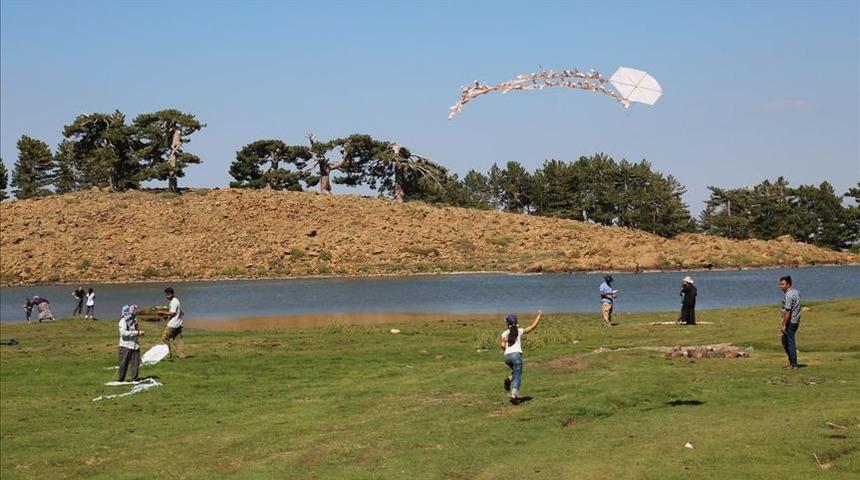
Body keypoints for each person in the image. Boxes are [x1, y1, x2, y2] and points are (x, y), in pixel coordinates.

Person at [500, 310, 542, 405]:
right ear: (516, 323)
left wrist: (506, 342)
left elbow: (502, 346)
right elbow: (532, 327)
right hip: (516, 356)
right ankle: (513, 395)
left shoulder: (504, 333)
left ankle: (509, 379)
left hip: (507, 357)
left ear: (507, 324)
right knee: (518, 376)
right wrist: (539, 316)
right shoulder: (519, 331)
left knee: (515, 372)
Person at [779, 275, 801, 369]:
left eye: (783, 284)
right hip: (796, 320)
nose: (781, 286)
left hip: (791, 321)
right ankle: (791, 361)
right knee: (785, 340)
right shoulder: (796, 292)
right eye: (780, 284)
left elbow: (788, 311)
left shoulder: (788, 295)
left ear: (788, 284)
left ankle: (793, 364)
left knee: (789, 341)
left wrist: (784, 325)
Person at [117, 305, 144, 382]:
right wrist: (137, 333)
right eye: (132, 311)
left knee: (136, 363)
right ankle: (121, 380)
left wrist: (138, 331)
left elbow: (136, 330)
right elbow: (123, 333)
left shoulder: (134, 321)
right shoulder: (122, 321)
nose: (133, 312)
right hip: (125, 346)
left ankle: (134, 378)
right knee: (123, 365)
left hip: (135, 346)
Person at [158, 287, 186, 359]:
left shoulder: (174, 302)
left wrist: (162, 312)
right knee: (178, 340)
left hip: (173, 324)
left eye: (167, 295)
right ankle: (182, 356)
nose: (166, 296)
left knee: (164, 338)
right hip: (178, 323)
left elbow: (173, 313)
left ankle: (168, 354)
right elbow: (178, 313)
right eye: (166, 295)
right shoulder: (175, 301)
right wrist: (166, 316)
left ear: (171, 294)